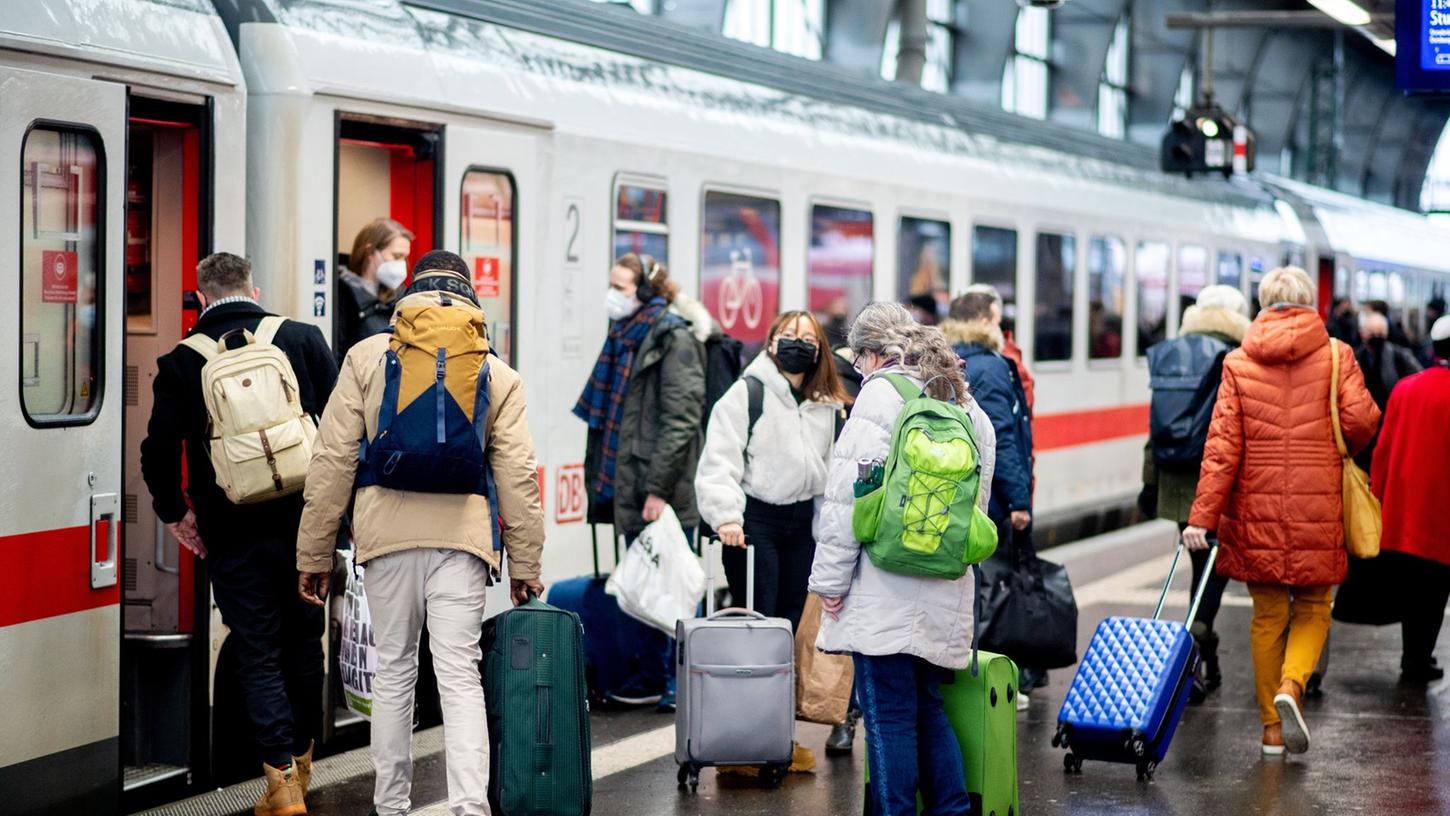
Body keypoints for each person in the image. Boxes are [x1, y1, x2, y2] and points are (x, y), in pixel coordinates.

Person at [295, 251, 545, 816]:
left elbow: (331, 461)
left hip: (385, 538)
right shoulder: (496, 371)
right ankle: (468, 809)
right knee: (459, 677)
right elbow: (518, 476)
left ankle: (391, 806)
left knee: (395, 673)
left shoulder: (364, 357)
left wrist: (313, 553)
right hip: (462, 542)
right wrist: (526, 565)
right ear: (470, 297)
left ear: (410, 294)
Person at [139, 252, 337, 816]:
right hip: (305, 527)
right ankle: (302, 763)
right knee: (304, 642)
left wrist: (177, 514)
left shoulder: (182, 360)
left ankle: (280, 785)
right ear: (255, 287)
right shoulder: (300, 339)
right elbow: (345, 429)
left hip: (231, 532)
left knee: (257, 649)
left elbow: (158, 451)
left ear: (200, 297)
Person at [809, 302, 996, 816]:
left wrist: (830, 582)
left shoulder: (880, 396)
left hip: (882, 584)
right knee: (929, 710)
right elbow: (976, 509)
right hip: (945, 584)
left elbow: (847, 499)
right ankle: (953, 810)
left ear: (872, 354)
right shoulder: (966, 402)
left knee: (888, 715)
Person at [1185, 266, 1379, 757]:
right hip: (1320, 505)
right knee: (1314, 607)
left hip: (1256, 510)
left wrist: (1202, 519)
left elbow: (1221, 449)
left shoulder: (1238, 363)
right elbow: (1362, 424)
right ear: (1309, 302)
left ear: (1263, 301)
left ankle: (1272, 730)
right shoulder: (1338, 355)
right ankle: (1292, 686)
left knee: (1268, 616)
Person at [694, 310, 850, 750]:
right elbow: (719, 461)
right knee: (759, 622)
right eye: (787, 335)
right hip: (753, 522)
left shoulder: (828, 404)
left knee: (792, 626)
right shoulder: (747, 392)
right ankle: (749, 728)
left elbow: (835, 475)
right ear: (770, 343)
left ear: (819, 350)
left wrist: (832, 534)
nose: (796, 344)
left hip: (802, 524)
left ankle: (778, 729)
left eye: (806, 338)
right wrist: (725, 516)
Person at [575, 253, 707, 712]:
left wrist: (658, 490)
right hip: (629, 480)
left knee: (670, 585)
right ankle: (649, 673)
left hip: (660, 490)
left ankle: (675, 677)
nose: (614, 295)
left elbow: (681, 419)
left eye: (623, 287)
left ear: (645, 292)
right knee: (645, 583)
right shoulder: (626, 337)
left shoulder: (674, 339)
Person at [1140, 285, 1250, 700]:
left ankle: (1202, 656)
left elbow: (1155, 428)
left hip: (1178, 482)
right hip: (1222, 483)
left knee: (1202, 563)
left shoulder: (1172, 352)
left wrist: (1149, 484)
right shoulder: (1238, 358)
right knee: (1214, 573)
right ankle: (1197, 647)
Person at [939, 286, 1039, 710]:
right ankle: (992, 679)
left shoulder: (941, 361)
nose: (1001, 328)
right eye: (998, 319)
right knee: (993, 589)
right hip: (991, 503)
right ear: (984, 321)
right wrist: (1019, 501)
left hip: (954, 495)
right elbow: (1003, 441)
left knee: (968, 588)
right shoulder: (995, 367)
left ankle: (962, 671)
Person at [1370, 315, 1450, 685]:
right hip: (1442, 510)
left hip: (1404, 509)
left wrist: (1377, 499)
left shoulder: (1405, 387)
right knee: (1436, 588)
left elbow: (1383, 451)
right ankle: (1419, 657)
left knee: (1414, 585)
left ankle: (1412, 656)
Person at [336, 217, 414, 361]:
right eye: (396, 256)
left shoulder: (402, 296)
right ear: (370, 252)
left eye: (405, 258)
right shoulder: (341, 295)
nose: (402, 264)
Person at [1353, 310, 1422, 471]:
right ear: (1362, 333)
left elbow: (1418, 379)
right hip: (1365, 426)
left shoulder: (1400, 356)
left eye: (1380, 332)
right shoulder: (1354, 356)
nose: (1377, 336)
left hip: (1390, 422)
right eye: (1372, 332)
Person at [1420, 298, 1446, 367]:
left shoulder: (1440, 326)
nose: (1428, 313)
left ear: (1436, 311)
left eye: (1430, 310)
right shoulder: (1436, 324)